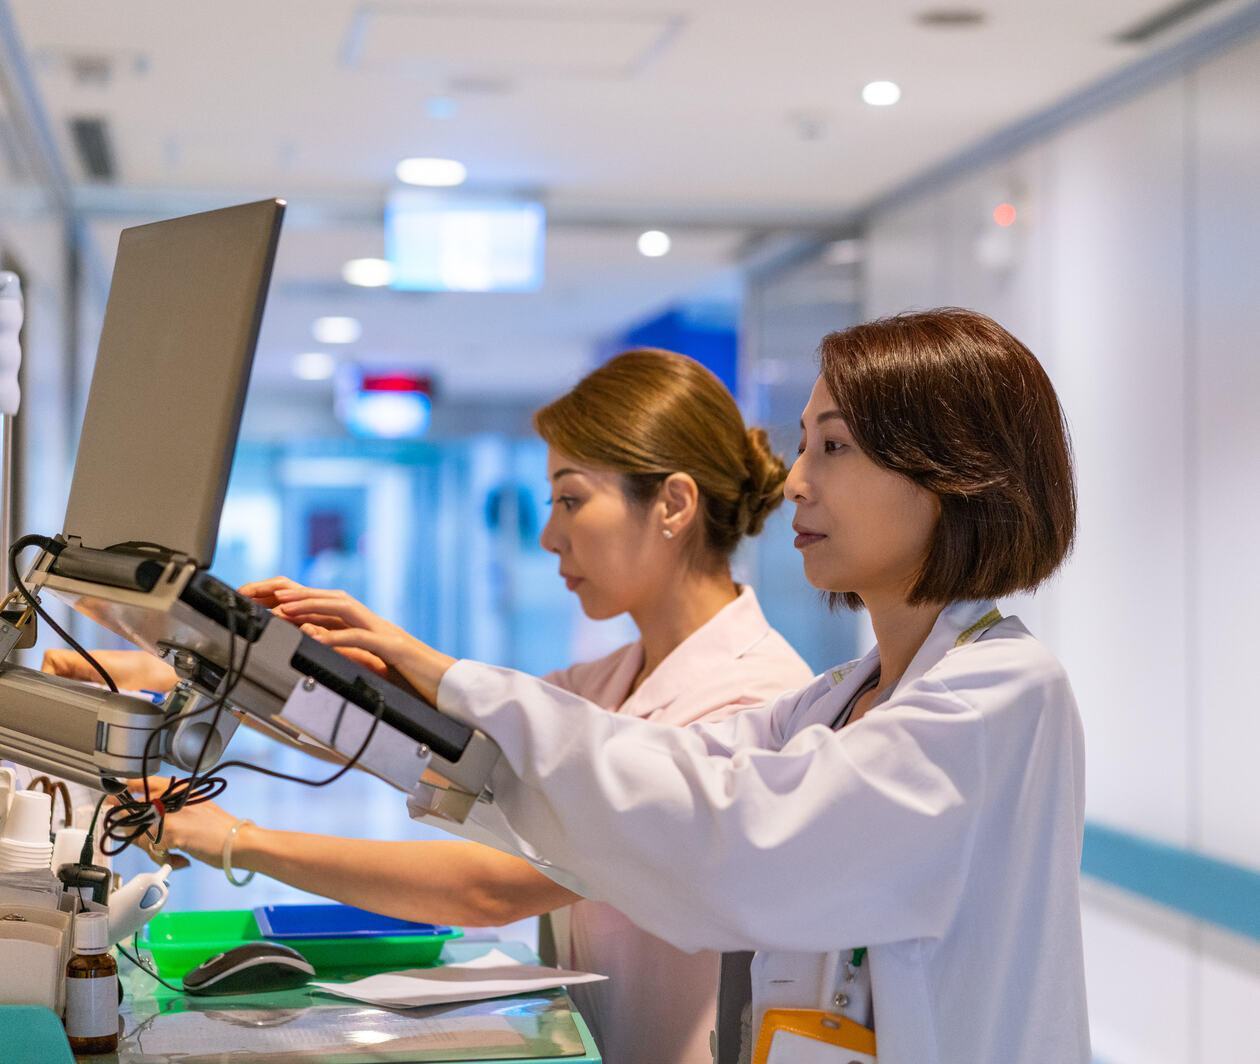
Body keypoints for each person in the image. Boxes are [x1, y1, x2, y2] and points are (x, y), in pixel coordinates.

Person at [269, 309, 1089, 1063]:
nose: (797, 481)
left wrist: (446, 680)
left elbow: (728, 837)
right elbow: (641, 771)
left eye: (832, 447)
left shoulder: (999, 696)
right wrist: (272, 669)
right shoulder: (838, 700)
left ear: (951, 471)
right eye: (804, 446)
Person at [44, 348, 813, 1064]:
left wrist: (235, 838)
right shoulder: (615, 678)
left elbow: (495, 882)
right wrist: (200, 662)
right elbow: (426, 745)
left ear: (674, 503)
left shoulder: (746, 701)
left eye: (571, 500)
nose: (550, 536)